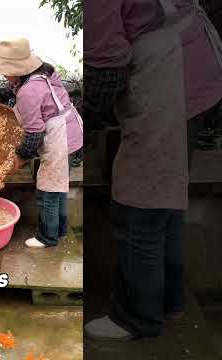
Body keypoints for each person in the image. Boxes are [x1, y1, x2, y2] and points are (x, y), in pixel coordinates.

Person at [83, 0, 222, 340]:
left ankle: (137, 317)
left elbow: (106, 69)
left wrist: (85, 124)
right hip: (196, 63)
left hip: (168, 75)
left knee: (139, 206)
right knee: (167, 197)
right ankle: (169, 300)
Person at [0, 37, 82, 248]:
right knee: (59, 187)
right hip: (72, 130)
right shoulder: (40, 72)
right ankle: (60, 230)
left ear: (17, 68)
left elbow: (34, 134)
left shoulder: (28, 92)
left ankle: (47, 237)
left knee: (47, 190)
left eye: (5, 70)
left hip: (60, 138)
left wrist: (19, 158)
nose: (3, 74)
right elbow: (12, 86)